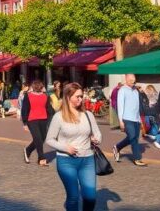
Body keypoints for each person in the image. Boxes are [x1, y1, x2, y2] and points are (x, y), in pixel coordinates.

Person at [45, 82, 102, 211]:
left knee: (90, 197)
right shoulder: (58, 117)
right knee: (73, 197)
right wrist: (65, 148)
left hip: (87, 160)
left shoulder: (88, 115)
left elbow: (97, 133)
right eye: (77, 97)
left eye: (81, 96)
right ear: (68, 97)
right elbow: (49, 139)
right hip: (66, 161)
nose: (81, 99)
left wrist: (96, 139)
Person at [113, 74, 146, 166]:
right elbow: (120, 106)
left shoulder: (136, 91)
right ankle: (137, 158)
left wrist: (140, 120)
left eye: (134, 80)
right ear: (126, 80)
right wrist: (120, 121)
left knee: (134, 138)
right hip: (126, 118)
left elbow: (138, 106)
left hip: (136, 119)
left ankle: (117, 147)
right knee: (133, 138)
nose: (132, 81)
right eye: (130, 80)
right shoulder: (122, 90)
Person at [21, 79, 54, 166]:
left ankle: (28, 150)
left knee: (42, 138)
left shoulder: (45, 96)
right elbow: (24, 109)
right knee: (38, 138)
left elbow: (49, 108)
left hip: (43, 119)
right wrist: (24, 123)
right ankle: (41, 158)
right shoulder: (28, 96)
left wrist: (56, 116)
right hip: (32, 120)